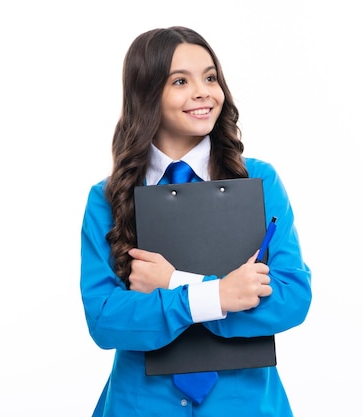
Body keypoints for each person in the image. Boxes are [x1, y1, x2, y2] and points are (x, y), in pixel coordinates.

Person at [80, 26, 312, 416]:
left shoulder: (258, 182)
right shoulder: (108, 198)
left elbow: (291, 298)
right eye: (180, 81)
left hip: (245, 405)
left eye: (210, 77)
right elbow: (105, 320)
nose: (203, 91)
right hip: (141, 404)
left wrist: (178, 286)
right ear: (147, 93)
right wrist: (221, 296)